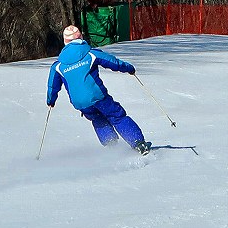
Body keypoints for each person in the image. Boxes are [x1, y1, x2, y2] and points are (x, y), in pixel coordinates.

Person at [46, 25, 150, 153]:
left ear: (65, 42)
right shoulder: (90, 54)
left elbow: (52, 86)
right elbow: (113, 62)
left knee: (98, 119)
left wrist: (51, 100)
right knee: (116, 115)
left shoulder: (58, 65)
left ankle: (112, 148)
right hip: (97, 96)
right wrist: (129, 68)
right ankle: (138, 143)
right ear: (81, 38)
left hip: (80, 103)